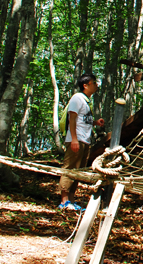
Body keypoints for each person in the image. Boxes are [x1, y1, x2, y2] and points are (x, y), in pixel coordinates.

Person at [58, 73, 105, 211]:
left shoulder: (86, 101)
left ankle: (72, 201)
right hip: (76, 139)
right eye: (94, 83)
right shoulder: (77, 98)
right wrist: (73, 139)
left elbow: (83, 120)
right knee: (70, 169)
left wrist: (96, 122)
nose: (96, 85)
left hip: (85, 141)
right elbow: (72, 119)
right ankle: (64, 201)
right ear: (85, 85)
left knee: (78, 171)